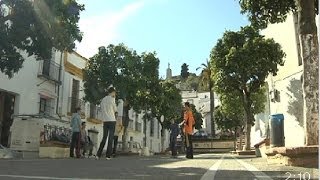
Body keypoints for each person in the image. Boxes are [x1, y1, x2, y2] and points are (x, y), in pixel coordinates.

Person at [96, 87, 117, 160]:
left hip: (105, 121)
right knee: (110, 138)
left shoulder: (103, 100)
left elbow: (101, 109)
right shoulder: (112, 99)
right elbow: (115, 110)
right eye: (114, 92)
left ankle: (98, 155)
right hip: (112, 120)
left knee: (104, 137)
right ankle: (108, 156)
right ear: (112, 92)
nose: (115, 94)